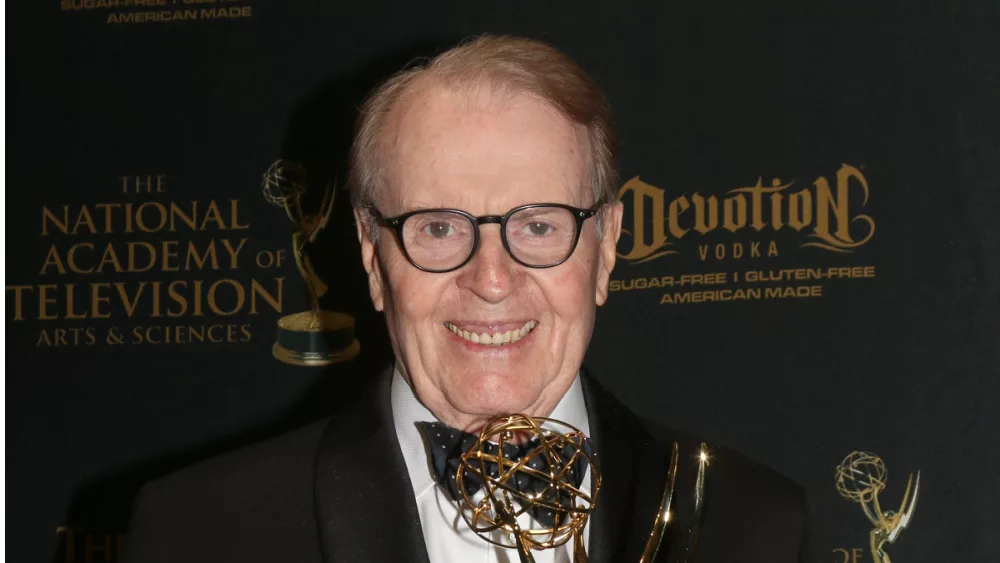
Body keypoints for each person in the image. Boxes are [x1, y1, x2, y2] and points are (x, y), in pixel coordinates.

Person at [123, 35, 809, 563]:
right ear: (370, 252)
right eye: (439, 227)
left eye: (538, 226)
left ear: (605, 245)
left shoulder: (753, 525)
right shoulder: (202, 531)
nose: (490, 277)